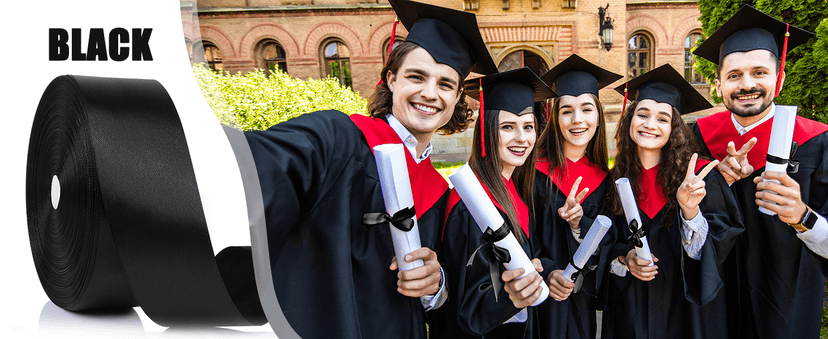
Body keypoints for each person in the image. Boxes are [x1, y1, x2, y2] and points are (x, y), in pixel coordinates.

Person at [241, 0, 498, 337]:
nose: (429, 93)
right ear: (391, 79)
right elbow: (264, 165)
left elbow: (443, 305)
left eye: (445, 84)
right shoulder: (337, 140)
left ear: (455, 99)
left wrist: (436, 284)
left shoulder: (438, 194)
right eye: (416, 76)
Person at [691, 5, 828, 339]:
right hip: (712, 303)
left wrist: (801, 215)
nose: (746, 84)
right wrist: (711, 183)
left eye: (759, 72)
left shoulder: (816, 141)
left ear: (779, 79)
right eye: (734, 75)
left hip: (785, 307)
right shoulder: (695, 139)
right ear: (719, 84)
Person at [601, 64, 744, 339]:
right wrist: (625, 256)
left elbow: (723, 244)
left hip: (687, 313)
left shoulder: (700, 177)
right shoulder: (615, 180)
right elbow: (607, 243)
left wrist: (690, 211)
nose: (650, 124)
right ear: (629, 120)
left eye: (663, 119)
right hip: (630, 311)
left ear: (674, 127)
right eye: (642, 114)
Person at [431, 67, 555, 339]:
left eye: (529, 127)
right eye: (508, 127)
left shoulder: (515, 189)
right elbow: (466, 307)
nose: (522, 138)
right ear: (487, 131)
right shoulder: (471, 206)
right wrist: (512, 295)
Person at [533, 54, 622, 339]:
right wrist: (548, 270)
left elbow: (608, 246)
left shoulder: (604, 180)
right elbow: (521, 233)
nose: (577, 120)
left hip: (580, 303)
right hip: (536, 298)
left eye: (586, 109)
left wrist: (579, 224)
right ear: (555, 118)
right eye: (567, 110)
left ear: (598, 117)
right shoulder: (533, 172)